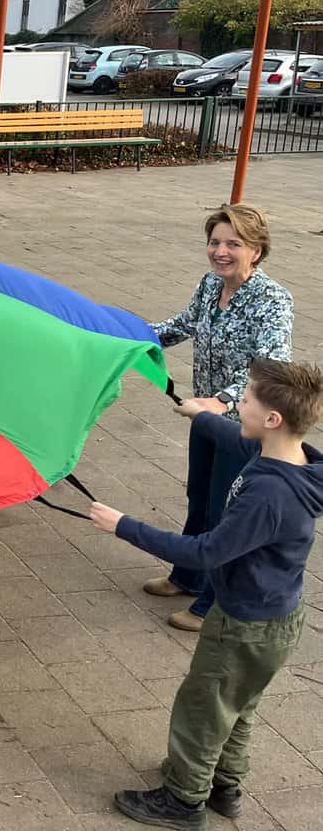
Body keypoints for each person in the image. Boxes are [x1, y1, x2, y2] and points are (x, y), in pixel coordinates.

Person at [89, 358, 323, 830]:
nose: (240, 404)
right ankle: (223, 785)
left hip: (244, 623)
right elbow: (234, 436)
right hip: (272, 617)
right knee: (238, 703)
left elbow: (205, 552)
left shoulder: (270, 496)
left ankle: (183, 799)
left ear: (273, 419)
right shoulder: (288, 458)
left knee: (203, 706)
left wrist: (124, 526)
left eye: (248, 400)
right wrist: (201, 414)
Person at [143, 204, 293, 632]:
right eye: (215, 242)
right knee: (199, 497)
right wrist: (131, 334)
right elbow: (183, 324)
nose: (220, 252)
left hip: (244, 425)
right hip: (207, 416)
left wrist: (221, 401)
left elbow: (272, 365)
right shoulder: (210, 285)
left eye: (233, 244)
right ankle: (187, 575)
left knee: (225, 512)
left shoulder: (273, 300)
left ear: (257, 252)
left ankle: (213, 603)